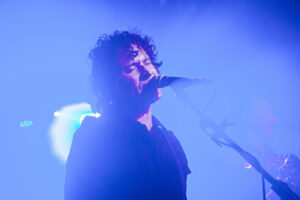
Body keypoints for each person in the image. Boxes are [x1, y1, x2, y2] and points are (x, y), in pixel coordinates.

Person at [64, 31, 191, 200]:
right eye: (132, 68)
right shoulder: (94, 136)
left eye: (147, 62)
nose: (147, 71)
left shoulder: (169, 139)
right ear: (112, 85)